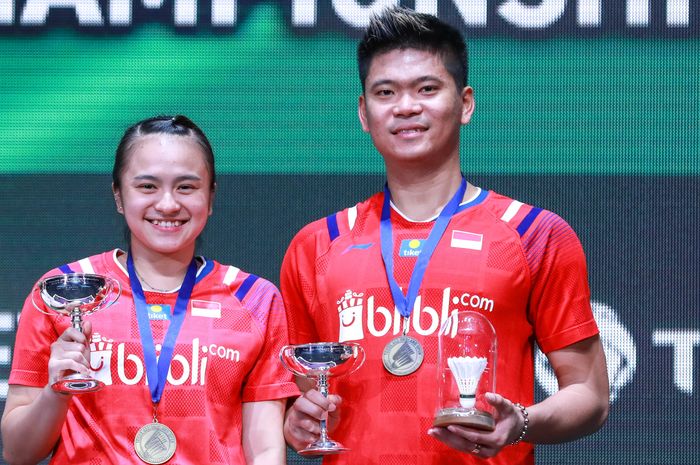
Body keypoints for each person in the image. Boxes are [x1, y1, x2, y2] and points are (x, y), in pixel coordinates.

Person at [281, 7, 609, 465]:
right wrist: (299, 423)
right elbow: (308, 409)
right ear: (364, 112)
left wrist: (522, 422)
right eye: (385, 92)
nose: (406, 106)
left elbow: (590, 396)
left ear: (466, 103)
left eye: (427, 89)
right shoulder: (317, 245)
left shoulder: (534, 234)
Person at [2, 115, 298, 465]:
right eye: (147, 187)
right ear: (118, 195)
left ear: (211, 195)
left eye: (187, 187)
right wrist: (56, 392)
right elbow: (18, 453)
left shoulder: (254, 299)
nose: (168, 204)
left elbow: (265, 450)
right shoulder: (64, 292)